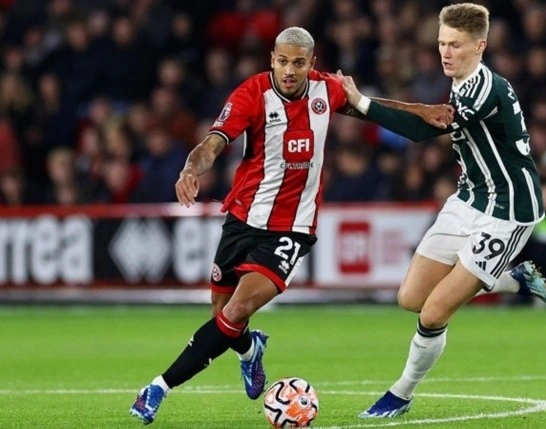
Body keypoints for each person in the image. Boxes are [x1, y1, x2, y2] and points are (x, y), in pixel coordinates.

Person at [129, 26, 452, 425]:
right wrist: (190, 170)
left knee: (237, 310)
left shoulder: (325, 90)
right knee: (223, 317)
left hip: (292, 228)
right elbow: (212, 143)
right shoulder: (250, 94)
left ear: (311, 63)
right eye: (282, 61)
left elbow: (369, 106)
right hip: (243, 219)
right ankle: (251, 351)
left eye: (298, 63)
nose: (289, 70)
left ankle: (158, 387)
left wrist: (421, 110)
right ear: (272, 59)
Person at [334, 3, 546, 418]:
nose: (445, 53)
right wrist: (359, 104)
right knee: (410, 298)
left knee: (434, 312)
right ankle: (513, 280)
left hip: (508, 211)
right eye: (441, 43)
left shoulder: (484, 90)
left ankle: (401, 393)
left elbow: (422, 129)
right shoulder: (460, 82)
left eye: (455, 45)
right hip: (468, 199)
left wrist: (360, 103)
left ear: (480, 46)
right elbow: (428, 115)